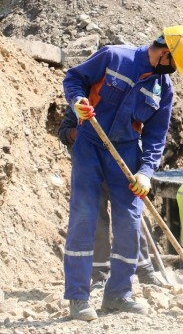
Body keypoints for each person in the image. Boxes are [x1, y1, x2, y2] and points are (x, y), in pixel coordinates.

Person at [62, 25, 183, 321]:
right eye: (173, 64)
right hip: (89, 145)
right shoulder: (114, 57)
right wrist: (77, 103)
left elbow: (156, 136)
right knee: (85, 217)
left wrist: (147, 172)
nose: (172, 71)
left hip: (126, 152)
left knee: (130, 221)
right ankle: (77, 297)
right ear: (165, 52)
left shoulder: (164, 89)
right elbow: (74, 78)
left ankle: (118, 294)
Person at [57, 108, 166, 290]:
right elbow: (64, 134)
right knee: (98, 223)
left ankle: (145, 271)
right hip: (90, 172)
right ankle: (100, 274)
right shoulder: (80, 105)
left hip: (121, 169)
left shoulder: (123, 102)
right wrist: (82, 132)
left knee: (130, 219)